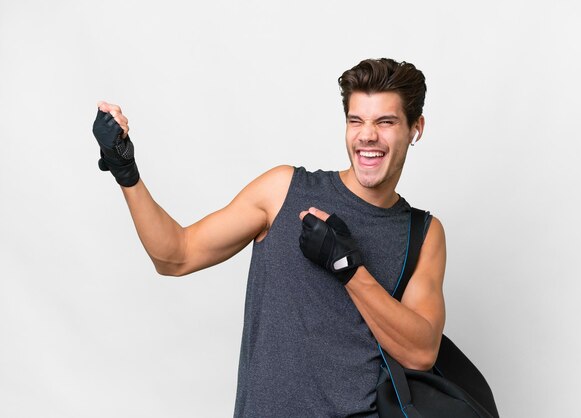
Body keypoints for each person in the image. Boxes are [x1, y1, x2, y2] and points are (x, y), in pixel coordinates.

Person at [92, 58, 446, 417]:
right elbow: (175, 256)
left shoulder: (423, 233)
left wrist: (349, 268)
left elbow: (420, 352)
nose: (367, 135)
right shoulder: (283, 191)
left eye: (385, 122)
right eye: (356, 121)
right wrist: (126, 172)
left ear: (416, 128)